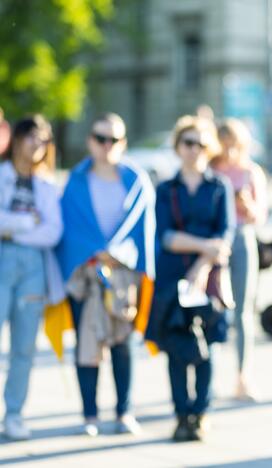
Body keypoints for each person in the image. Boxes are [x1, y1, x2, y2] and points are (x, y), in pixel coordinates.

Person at [55, 113, 155, 437]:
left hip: (123, 274)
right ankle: (89, 415)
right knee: (87, 344)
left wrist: (121, 255)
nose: (107, 145)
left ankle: (125, 411)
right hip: (84, 275)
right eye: (101, 138)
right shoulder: (76, 180)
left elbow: (143, 230)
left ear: (123, 143)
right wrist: (93, 252)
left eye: (114, 139)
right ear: (90, 141)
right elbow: (68, 229)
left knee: (123, 344)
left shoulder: (136, 181)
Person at [145, 115, 234, 442]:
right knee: (176, 348)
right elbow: (166, 236)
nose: (194, 149)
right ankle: (181, 414)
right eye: (188, 143)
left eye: (200, 143)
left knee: (208, 347)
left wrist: (201, 266)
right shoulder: (166, 189)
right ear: (178, 146)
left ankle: (201, 413)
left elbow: (226, 235)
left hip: (209, 280)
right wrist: (204, 247)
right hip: (172, 279)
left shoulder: (219, 186)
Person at [0, 115, 63, 440]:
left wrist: (13, 232)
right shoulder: (3, 175)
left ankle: (14, 414)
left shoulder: (46, 185)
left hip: (33, 270)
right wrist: (26, 223)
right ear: (18, 139)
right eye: (32, 138)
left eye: (43, 140)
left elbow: (52, 232)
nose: (37, 146)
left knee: (24, 346)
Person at [212, 118, 267, 401]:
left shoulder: (250, 171)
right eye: (225, 145)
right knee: (212, 308)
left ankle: (243, 377)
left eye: (234, 145)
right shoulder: (211, 169)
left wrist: (248, 206)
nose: (230, 151)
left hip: (243, 237)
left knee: (243, 311)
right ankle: (210, 376)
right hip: (215, 242)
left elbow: (262, 216)